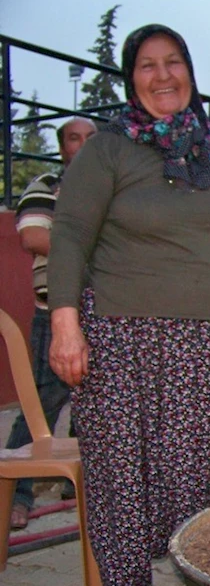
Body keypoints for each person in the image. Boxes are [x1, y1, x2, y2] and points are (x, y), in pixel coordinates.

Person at [47, 24, 210, 586]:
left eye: (173, 62)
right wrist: (65, 321)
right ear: (131, 78)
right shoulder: (108, 149)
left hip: (209, 344)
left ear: (190, 72)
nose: (162, 76)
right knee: (124, 472)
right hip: (123, 339)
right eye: (147, 65)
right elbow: (68, 231)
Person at [5, 117, 97, 531]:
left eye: (91, 138)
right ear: (63, 149)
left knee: (99, 409)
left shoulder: (111, 191)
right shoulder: (47, 184)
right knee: (40, 408)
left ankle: (84, 493)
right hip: (56, 313)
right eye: (74, 138)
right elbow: (33, 237)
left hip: (106, 315)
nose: (82, 144)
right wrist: (91, 246)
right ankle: (15, 498)